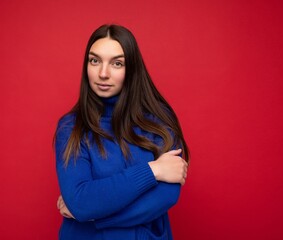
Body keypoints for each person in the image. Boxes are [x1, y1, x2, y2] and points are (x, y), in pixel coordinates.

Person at [54, 24, 189, 240]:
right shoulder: (71, 127)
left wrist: (94, 218)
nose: (103, 73)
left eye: (117, 63)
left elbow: (165, 196)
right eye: (94, 60)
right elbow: (80, 202)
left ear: (132, 69)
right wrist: (153, 170)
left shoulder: (159, 122)